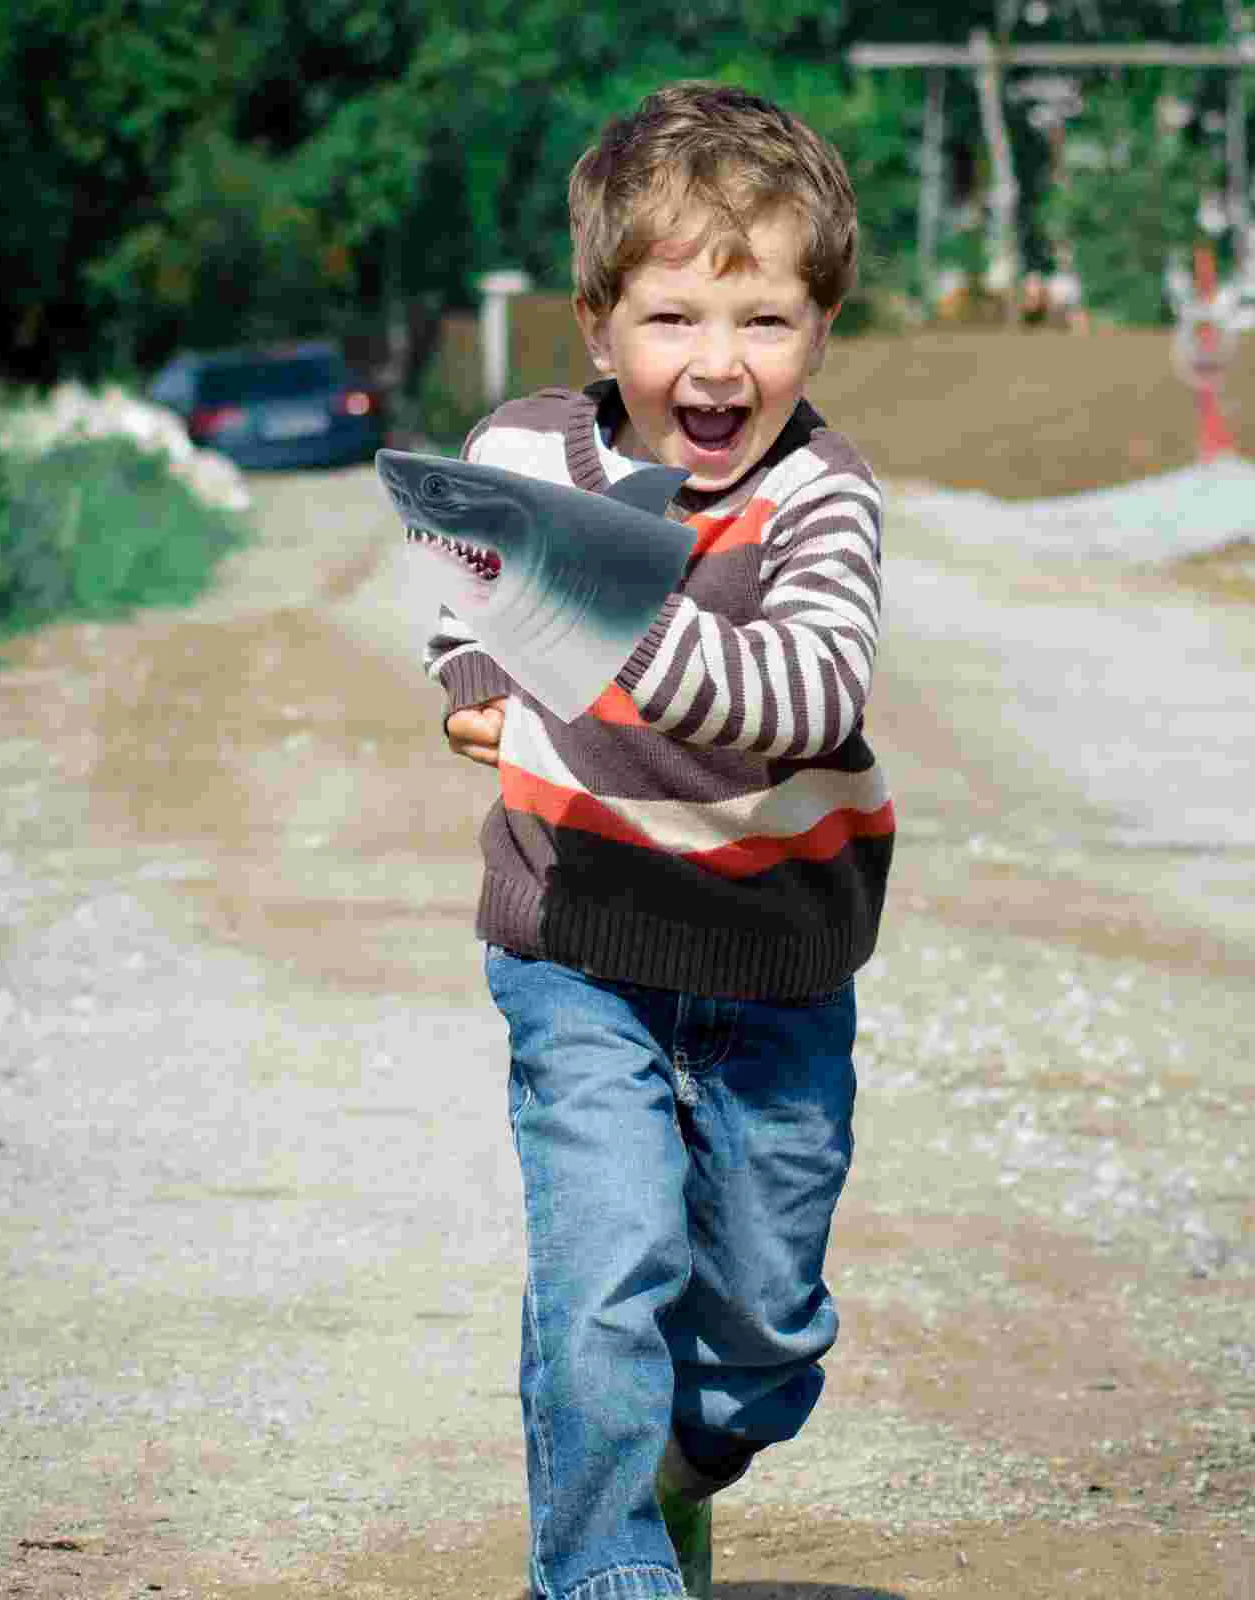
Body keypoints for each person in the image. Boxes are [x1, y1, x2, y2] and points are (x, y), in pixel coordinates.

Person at [425, 81, 894, 1600]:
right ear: (597, 324)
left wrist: (612, 625)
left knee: (763, 1339)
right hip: (581, 945)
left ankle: (676, 1461)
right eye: (674, 317)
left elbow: (807, 690)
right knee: (605, 1280)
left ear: (820, 331)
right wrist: (480, 672)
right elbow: (461, 564)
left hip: (771, 962)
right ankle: (604, 1565)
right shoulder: (527, 445)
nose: (715, 363)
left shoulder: (824, 501)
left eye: (763, 320)